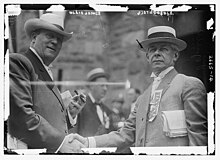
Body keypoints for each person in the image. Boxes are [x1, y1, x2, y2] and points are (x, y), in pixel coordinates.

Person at [72, 25, 208, 151]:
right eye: (152, 49)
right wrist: (87, 142)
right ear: (147, 57)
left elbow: (198, 140)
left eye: (164, 49)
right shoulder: (142, 98)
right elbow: (124, 135)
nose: (157, 53)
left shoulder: (188, 85)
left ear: (175, 55)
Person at [8, 13, 86, 153]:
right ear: (34, 38)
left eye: (59, 39)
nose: (55, 42)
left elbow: (46, 116)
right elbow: (22, 116)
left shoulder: (44, 70)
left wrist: (69, 114)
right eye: (50, 36)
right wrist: (61, 143)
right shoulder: (20, 62)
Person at [73, 68, 115, 137]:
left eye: (106, 86)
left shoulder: (107, 111)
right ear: (91, 86)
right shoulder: (80, 106)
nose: (105, 89)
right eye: (102, 85)